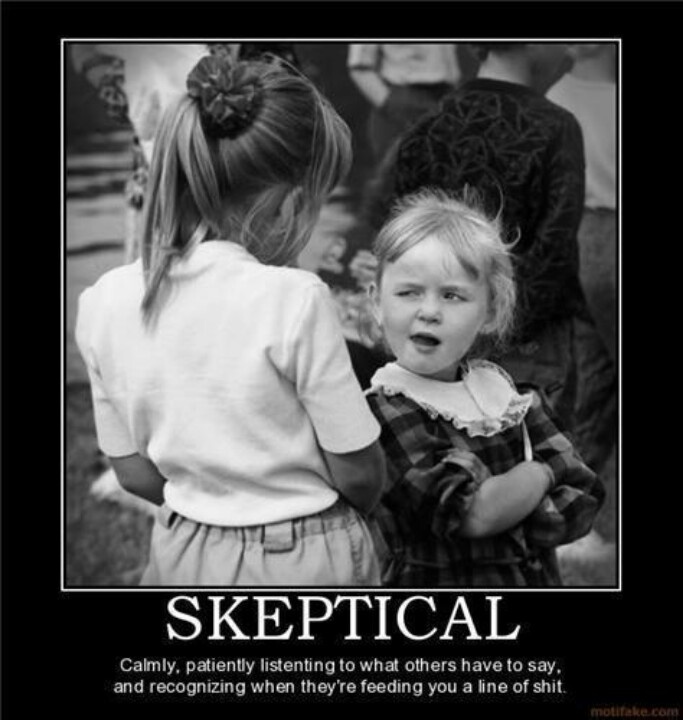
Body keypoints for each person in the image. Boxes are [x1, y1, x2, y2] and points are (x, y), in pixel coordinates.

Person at [75, 53, 386, 587]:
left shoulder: (101, 301)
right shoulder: (295, 298)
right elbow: (358, 470)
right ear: (290, 205)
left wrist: (209, 506)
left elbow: (131, 472)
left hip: (182, 549)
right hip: (306, 558)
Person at [365, 191, 605, 586]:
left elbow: (583, 496)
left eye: (452, 295)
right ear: (377, 303)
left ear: (490, 312)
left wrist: (503, 502)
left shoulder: (513, 398)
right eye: (408, 292)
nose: (429, 311)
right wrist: (539, 474)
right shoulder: (383, 413)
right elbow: (471, 515)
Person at [386, 43, 588, 430]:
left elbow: (403, 245)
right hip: (527, 351)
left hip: (437, 340)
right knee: (535, 458)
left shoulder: (426, 127)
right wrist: (492, 330)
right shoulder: (555, 128)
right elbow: (555, 253)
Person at [547, 43, 617, 474]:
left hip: (581, 236)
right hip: (605, 234)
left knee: (594, 376)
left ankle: (574, 493)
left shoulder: (554, 97)